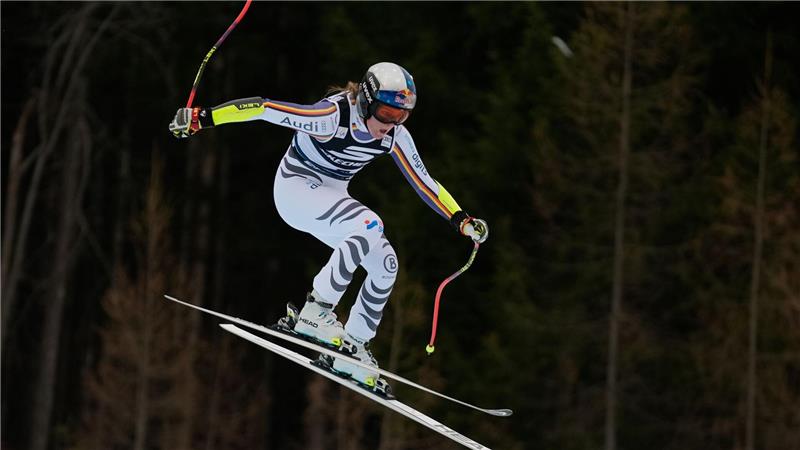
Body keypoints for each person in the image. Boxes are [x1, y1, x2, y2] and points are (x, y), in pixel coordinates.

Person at [169, 62, 488, 390]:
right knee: (369, 224)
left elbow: (426, 184)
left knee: (385, 264)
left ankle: (352, 347)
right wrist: (202, 118)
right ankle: (316, 311)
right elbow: (264, 108)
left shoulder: (395, 137)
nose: (391, 123)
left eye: (401, 115)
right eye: (386, 113)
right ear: (365, 100)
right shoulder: (331, 117)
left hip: (330, 198)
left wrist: (461, 219)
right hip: (295, 189)